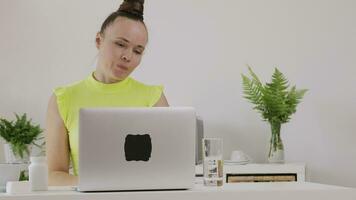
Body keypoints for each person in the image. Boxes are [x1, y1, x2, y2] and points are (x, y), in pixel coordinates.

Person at [45, 0, 169, 186]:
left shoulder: (154, 98)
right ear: (98, 40)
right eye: (120, 44)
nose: (128, 56)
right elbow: (54, 175)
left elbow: (169, 168)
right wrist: (102, 185)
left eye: (138, 51)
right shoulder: (63, 99)